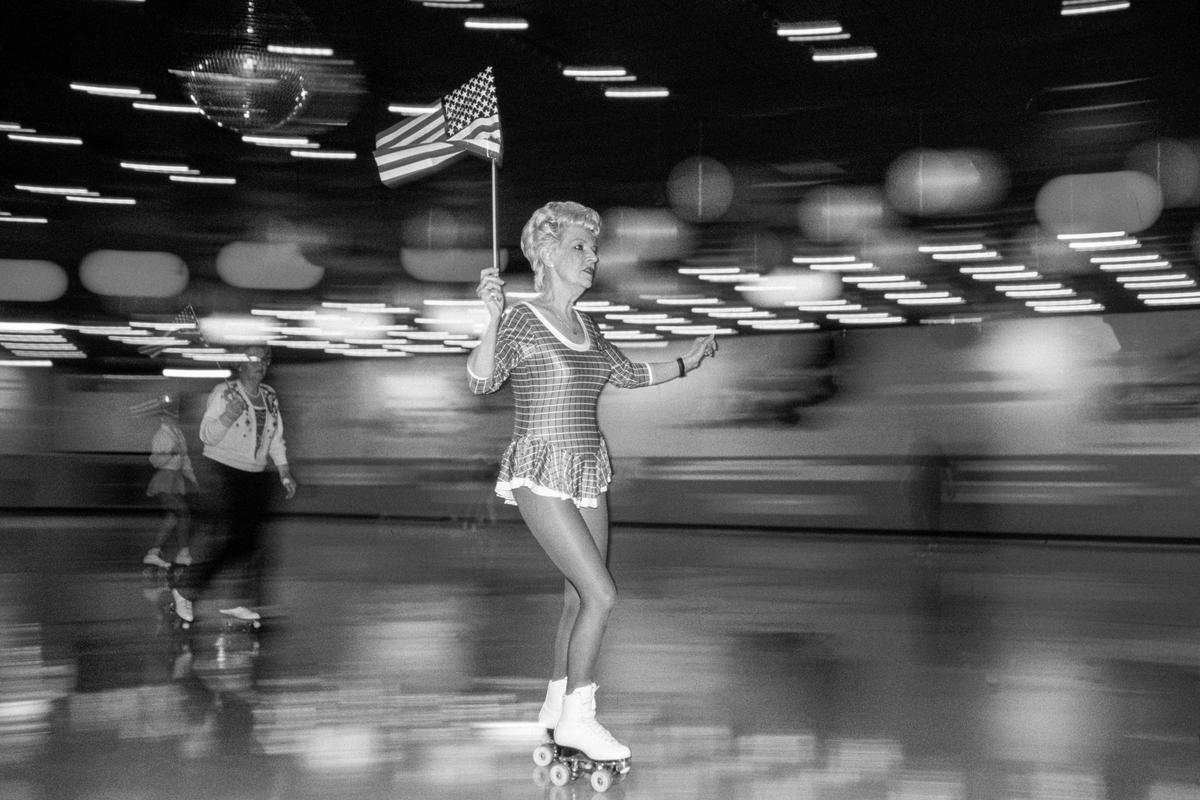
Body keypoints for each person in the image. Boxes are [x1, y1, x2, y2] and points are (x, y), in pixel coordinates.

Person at [467, 201, 717, 762]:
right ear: (547, 254)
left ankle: (555, 711)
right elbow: (482, 382)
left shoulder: (588, 326)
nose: (592, 257)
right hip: (540, 468)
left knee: (577, 598)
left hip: (588, 470)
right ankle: (581, 719)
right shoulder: (522, 320)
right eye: (579, 247)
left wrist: (687, 363)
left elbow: (627, 373)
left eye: (593, 248)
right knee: (602, 593)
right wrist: (490, 317)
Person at [171, 345, 297, 624]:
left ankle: (238, 600)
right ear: (241, 366)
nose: (261, 365)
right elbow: (207, 435)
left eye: (265, 360)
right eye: (254, 360)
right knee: (237, 542)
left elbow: (276, 437)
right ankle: (186, 589)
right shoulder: (224, 393)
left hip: (257, 473)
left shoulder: (270, 396)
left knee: (251, 543)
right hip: (226, 471)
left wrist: (284, 471)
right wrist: (229, 415)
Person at [142, 394, 196, 569]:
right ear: (163, 416)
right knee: (184, 514)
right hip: (165, 480)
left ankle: (153, 553)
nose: (174, 415)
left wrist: (193, 478)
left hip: (176, 479)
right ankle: (183, 553)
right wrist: (170, 454)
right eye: (170, 412)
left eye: (175, 412)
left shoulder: (178, 433)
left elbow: (185, 458)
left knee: (172, 518)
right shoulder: (161, 435)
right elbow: (154, 460)